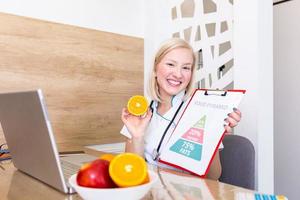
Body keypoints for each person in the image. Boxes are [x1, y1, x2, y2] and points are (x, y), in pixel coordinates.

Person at [120, 38, 241, 180]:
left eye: (186, 67)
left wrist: (211, 137)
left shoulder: (201, 111)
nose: (178, 74)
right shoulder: (140, 112)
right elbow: (132, 170)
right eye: (171, 64)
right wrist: (137, 136)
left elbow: (213, 177)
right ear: (155, 69)